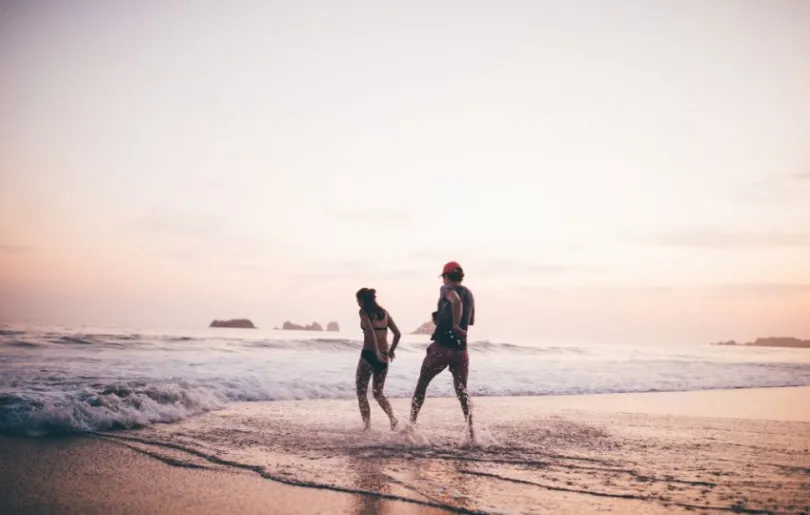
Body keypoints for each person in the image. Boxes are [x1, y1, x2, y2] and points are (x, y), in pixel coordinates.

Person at [409, 261, 476, 440]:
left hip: (442, 348)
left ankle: (411, 426)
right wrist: (458, 324)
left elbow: (456, 300)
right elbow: (469, 321)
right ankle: (471, 432)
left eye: (443, 277)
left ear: (446, 277)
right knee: (462, 391)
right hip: (461, 351)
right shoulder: (470, 294)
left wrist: (453, 324)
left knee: (421, 386)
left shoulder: (445, 289)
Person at [355, 288, 401, 430]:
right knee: (378, 393)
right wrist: (390, 351)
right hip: (384, 357)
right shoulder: (385, 313)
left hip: (369, 355)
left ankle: (367, 426)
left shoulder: (364, 312)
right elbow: (397, 334)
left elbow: (370, 332)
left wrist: (375, 352)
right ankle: (392, 420)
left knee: (361, 392)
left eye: (358, 300)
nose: (357, 303)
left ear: (362, 300)